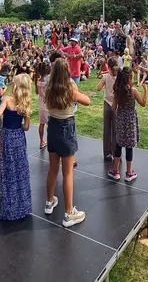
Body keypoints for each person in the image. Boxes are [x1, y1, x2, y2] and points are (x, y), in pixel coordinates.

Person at [44, 58, 91, 228]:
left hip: (53, 127)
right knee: (68, 173)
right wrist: (76, 90)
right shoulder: (70, 88)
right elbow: (87, 101)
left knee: (52, 168)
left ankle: (49, 201)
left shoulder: (48, 87)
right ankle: (69, 213)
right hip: (66, 127)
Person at [0, 73, 33, 221]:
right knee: (21, 170)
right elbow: (26, 127)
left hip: (7, 136)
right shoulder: (26, 103)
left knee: (8, 171)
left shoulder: (7, 100)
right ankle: (23, 206)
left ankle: (8, 208)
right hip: (19, 137)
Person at [109, 66, 146, 182]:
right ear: (129, 78)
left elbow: (113, 107)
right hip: (130, 121)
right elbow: (143, 103)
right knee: (129, 146)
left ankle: (115, 171)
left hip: (120, 120)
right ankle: (129, 173)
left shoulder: (118, 90)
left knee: (118, 145)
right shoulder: (133, 91)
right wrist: (146, 90)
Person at [96, 57, 118, 161]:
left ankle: (107, 153)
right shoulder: (119, 77)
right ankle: (116, 152)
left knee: (107, 129)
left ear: (107, 66)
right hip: (116, 104)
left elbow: (98, 88)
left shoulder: (105, 77)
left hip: (107, 104)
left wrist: (102, 79)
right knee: (116, 130)